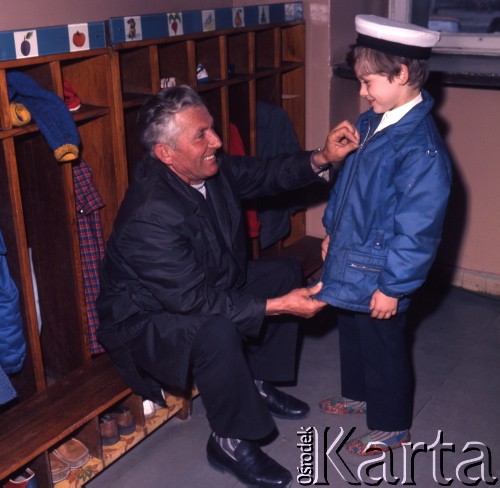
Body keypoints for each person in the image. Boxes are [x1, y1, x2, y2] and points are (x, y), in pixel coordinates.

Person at [96, 85, 360, 487]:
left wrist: (322, 157)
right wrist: (277, 307)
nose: (216, 141)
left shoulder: (204, 167)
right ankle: (229, 440)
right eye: (201, 134)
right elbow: (193, 302)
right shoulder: (149, 215)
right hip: (148, 319)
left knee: (282, 271)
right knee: (216, 330)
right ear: (166, 153)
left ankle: (253, 381)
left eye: (212, 129)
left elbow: (264, 173)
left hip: (193, 287)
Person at [314, 15, 453, 456]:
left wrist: (394, 287)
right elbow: (349, 182)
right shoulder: (375, 119)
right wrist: (332, 230)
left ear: (402, 75)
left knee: (383, 344)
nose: (362, 91)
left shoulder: (421, 149)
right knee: (352, 329)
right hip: (353, 254)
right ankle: (357, 394)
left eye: (368, 81)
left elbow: (418, 230)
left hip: (383, 269)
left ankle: (392, 424)